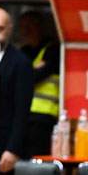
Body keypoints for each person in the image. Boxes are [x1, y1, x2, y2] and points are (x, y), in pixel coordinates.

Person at [0, 8, 33, 175]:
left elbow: (22, 110)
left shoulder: (20, 62)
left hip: (2, 146)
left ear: (10, 29)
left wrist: (13, 148)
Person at [19, 10, 61, 157]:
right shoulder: (23, 51)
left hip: (44, 116)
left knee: (37, 159)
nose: (26, 31)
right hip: (23, 114)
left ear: (40, 26)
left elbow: (32, 77)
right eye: (23, 26)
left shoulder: (53, 49)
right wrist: (32, 70)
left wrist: (27, 73)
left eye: (30, 26)